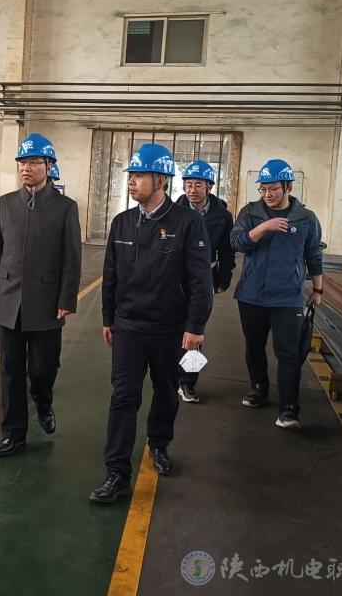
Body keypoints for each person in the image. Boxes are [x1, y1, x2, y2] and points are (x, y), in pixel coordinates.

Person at [90, 144, 213, 503]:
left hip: (170, 329)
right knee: (123, 397)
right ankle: (116, 473)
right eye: (130, 175)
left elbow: (200, 281)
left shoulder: (187, 223)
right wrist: (108, 318)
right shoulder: (122, 223)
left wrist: (195, 327)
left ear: (160, 180)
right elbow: (111, 274)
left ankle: (158, 443)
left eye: (139, 175)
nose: (132, 181)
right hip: (129, 326)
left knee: (165, 393)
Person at [0, 133, 82, 457]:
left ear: (49, 166)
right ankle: (14, 434)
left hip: (48, 305)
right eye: (22, 162)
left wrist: (66, 299)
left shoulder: (65, 208)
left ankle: (43, 401)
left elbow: (72, 258)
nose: (26, 168)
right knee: (10, 372)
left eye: (34, 162)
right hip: (9, 302)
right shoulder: (6, 204)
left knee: (42, 369)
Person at [230, 158, 323, 430]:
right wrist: (263, 228)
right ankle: (258, 389)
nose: (267, 194)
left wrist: (318, 289)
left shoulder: (306, 219)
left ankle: (288, 409)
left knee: (288, 353)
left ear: (288, 187)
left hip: (287, 297)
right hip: (252, 295)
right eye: (263, 189)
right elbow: (236, 243)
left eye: (273, 189)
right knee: (254, 347)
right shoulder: (250, 213)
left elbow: (314, 254)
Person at [174, 159, 235, 403]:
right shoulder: (173, 210)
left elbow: (227, 251)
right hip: (174, 279)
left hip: (203, 280)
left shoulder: (222, 216)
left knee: (195, 330)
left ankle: (188, 383)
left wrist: (223, 277)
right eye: (188, 184)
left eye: (198, 185)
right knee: (173, 329)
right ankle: (171, 377)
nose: (192, 190)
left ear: (209, 187)